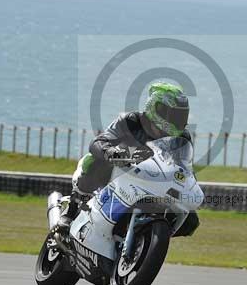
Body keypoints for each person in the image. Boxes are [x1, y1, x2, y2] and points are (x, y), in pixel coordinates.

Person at [57, 81, 199, 236]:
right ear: (155, 107)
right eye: (173, 114)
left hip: (149, 184)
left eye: (181, 115)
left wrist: (188, 186)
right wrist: (111, 153)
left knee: (191, 221)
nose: (177, 120)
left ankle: (146, 237)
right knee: (96, 161)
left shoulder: (182, 137)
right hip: (117, 176)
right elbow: (98, 142)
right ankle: (71, 208)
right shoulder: (130, 121)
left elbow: (185, 169)